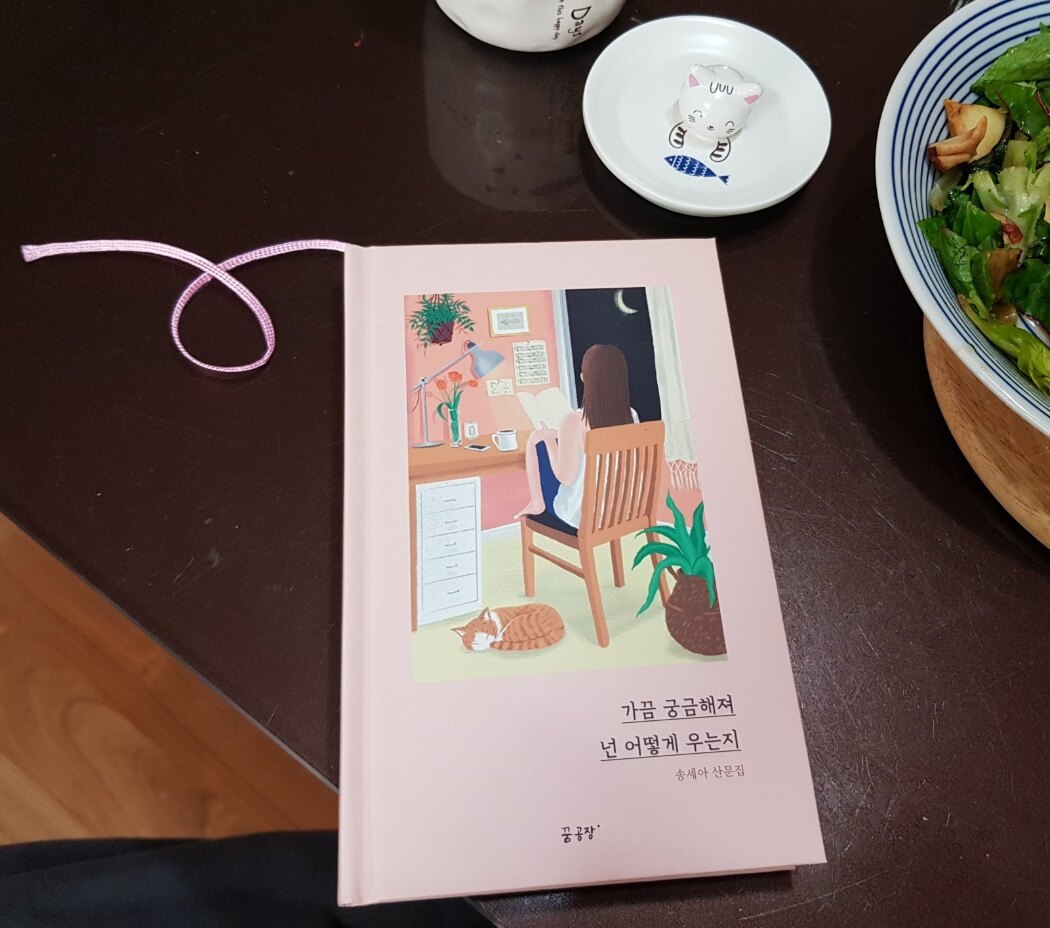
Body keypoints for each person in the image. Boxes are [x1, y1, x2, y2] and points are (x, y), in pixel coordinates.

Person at [513, 343, 637, 527]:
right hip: (620, 509)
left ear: (583, 377)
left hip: (582, 516)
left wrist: (550, 441)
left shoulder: (574, 421)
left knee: (535, 439)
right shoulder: (631, 415)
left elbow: (565, 478)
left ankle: (537, 503)